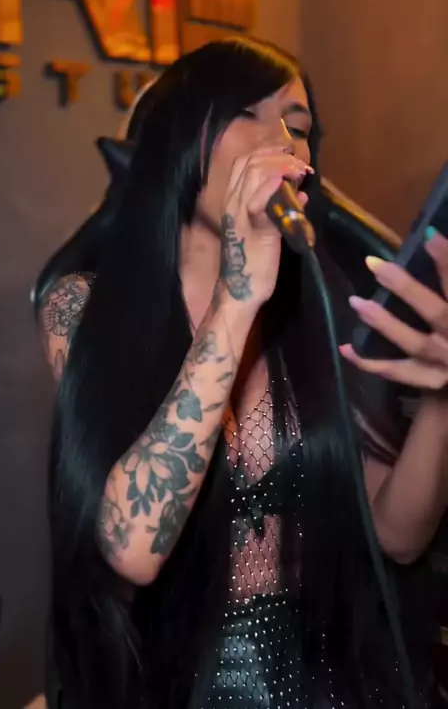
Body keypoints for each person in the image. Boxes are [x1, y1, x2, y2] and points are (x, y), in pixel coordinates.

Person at [40, 37, 448, 709]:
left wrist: (440, 397)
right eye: (248, 112)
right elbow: (131, 547)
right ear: (179, 137)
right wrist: (235, 299)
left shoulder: (318, 303)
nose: (282, 141)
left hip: (335, 677)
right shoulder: (81, 308)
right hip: (179, 682)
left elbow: (399, 538)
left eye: (299, 127)